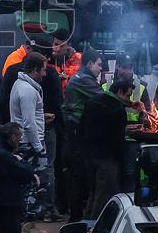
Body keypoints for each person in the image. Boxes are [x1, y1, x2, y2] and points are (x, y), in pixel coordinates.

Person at [61, 48, 104, 220]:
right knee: (79, 174)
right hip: (76, 131)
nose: (101, 68)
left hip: (74, 130)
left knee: (78, 173)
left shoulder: (80, 77)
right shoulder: (84, 80)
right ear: (89, 64)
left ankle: (76, 213)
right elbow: (103, 98)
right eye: (99, 65)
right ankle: (76, 216)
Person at [83, 77, 132, 219]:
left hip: (89, 155)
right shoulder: (117, 110)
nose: (128, 99)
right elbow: (118, 140)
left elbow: (81, 128)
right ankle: (93, 229)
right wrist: (120, 159)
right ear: (119, 92)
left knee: (93, 194)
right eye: (127, 96)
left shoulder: (92, 102)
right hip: (107, 159)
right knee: (102, 197)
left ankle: (85, 224)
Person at [104, 53, 150, 191]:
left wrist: (144, 117)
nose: (128, 71)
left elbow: (148, 113)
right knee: (112, 174)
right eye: (124, 67)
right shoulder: (106, 84)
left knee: (130, 172)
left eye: (130, 67)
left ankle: (129, 202)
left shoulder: (140, 86)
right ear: (117, 67)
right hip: (111, 137)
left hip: (132, 138)